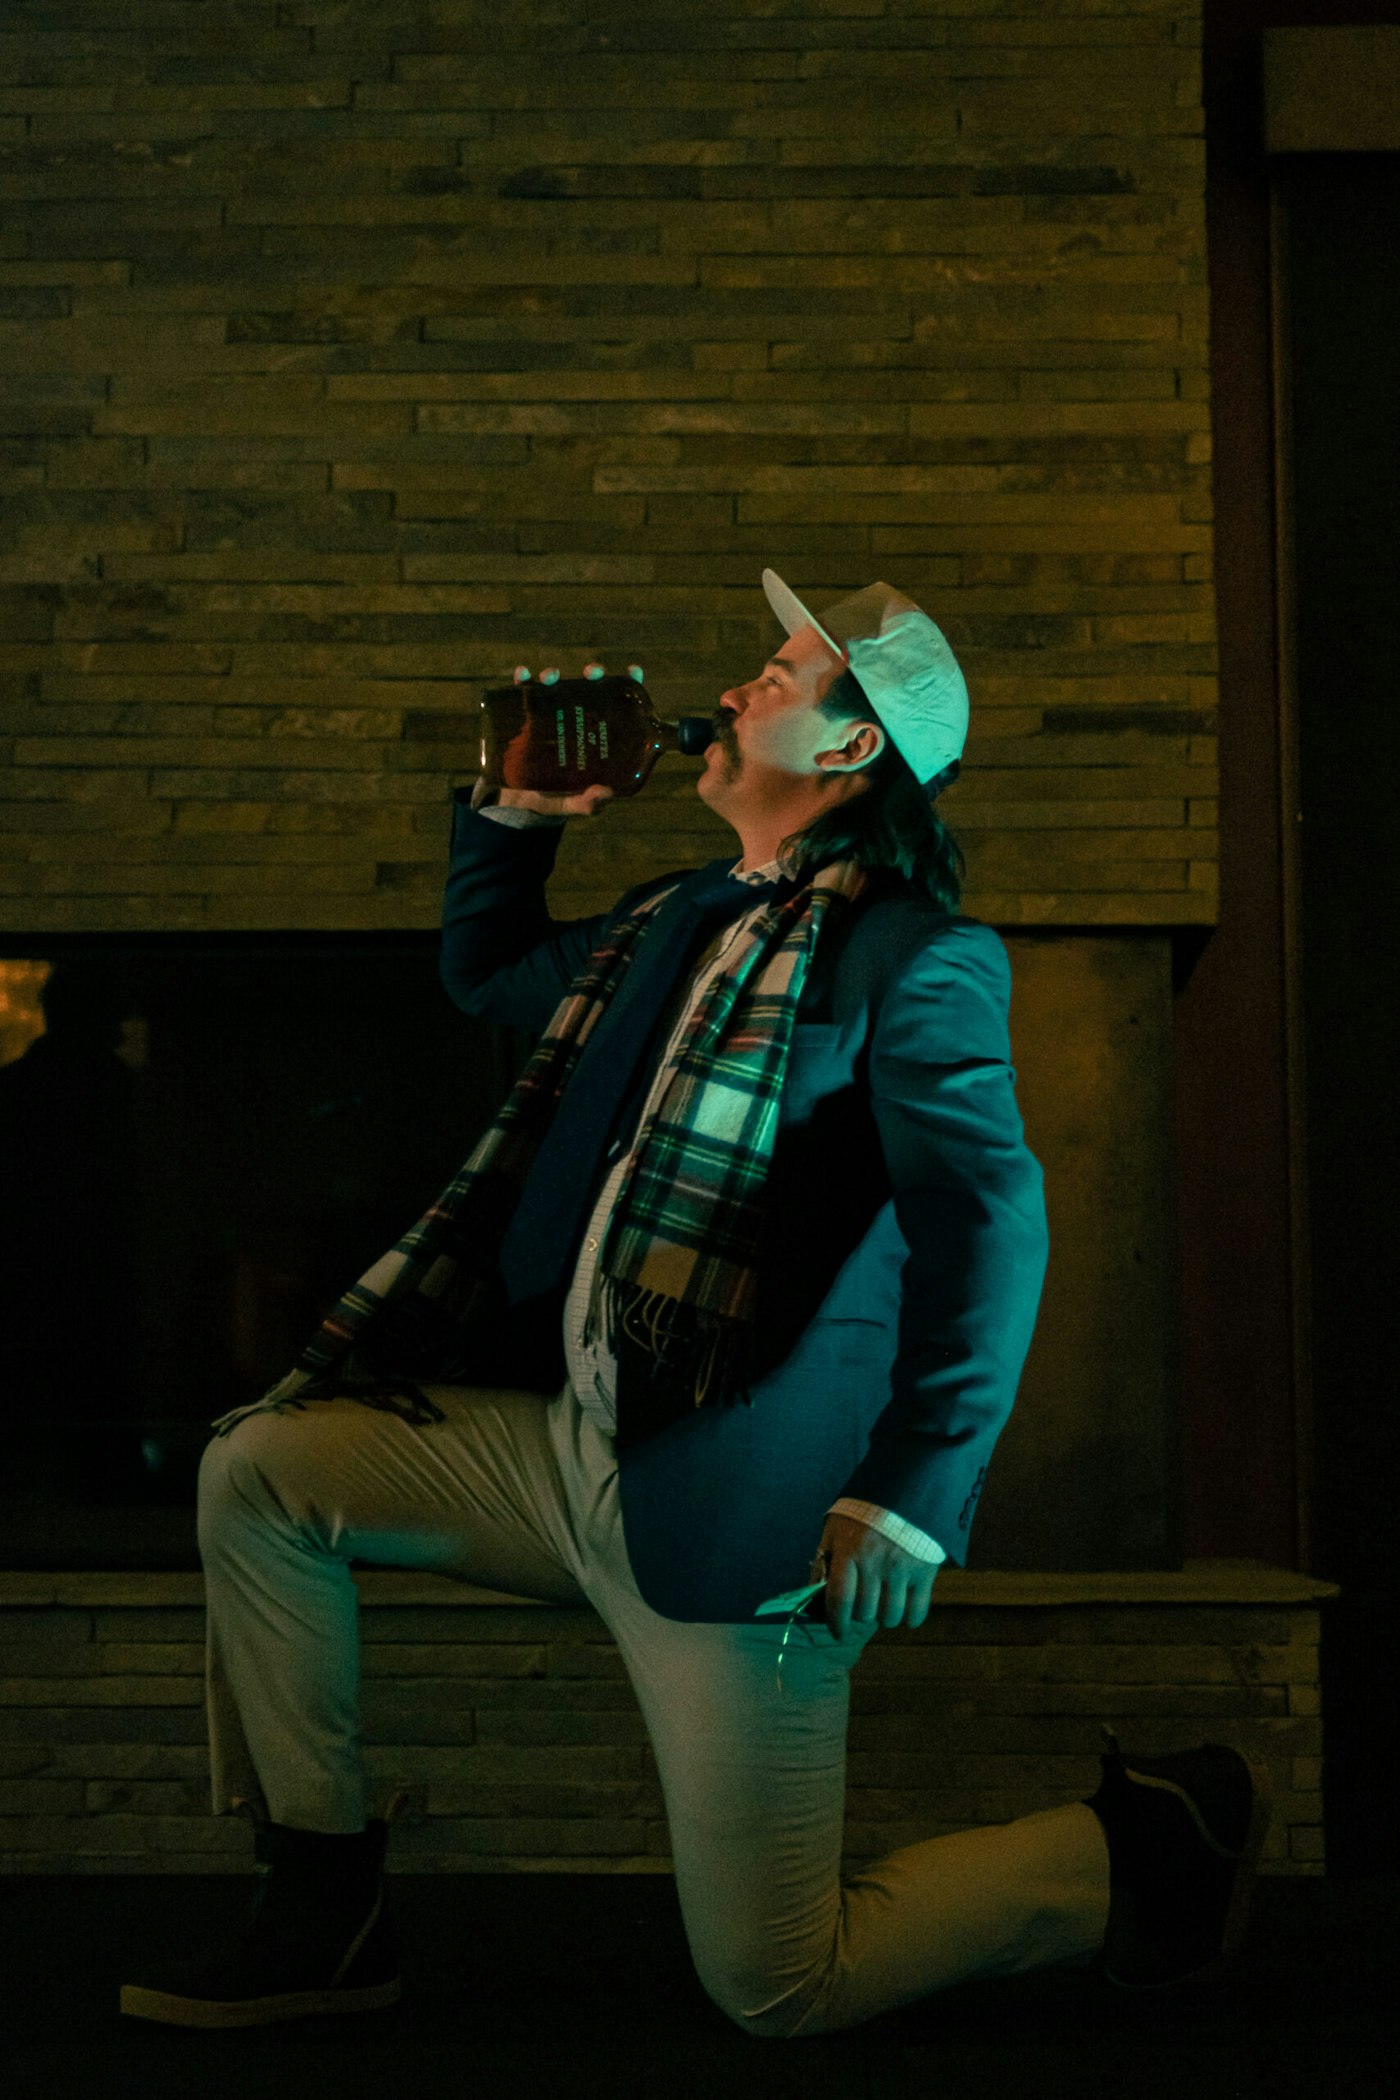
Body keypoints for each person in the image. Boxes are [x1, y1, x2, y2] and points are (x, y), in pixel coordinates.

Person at [120, 570, 1272, 2033]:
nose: (733, 692)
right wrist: (519, 819)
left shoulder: (912, 959)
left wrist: (913, 1492)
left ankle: (1139, 1846)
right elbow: (485, 977)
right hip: (565, 1457)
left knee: (781, 1983)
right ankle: (325, 1904)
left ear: (854, 752)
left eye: (779, 679)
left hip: (738, 1508)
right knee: (260, 1470)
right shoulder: (673, 919)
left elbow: (990, 1218)